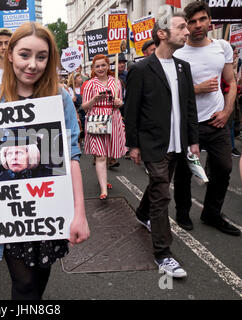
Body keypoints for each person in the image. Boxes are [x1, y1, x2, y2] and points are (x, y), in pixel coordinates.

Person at [0, 22, 90, 300]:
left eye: (41, 56)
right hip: (7, 216)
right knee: (23, 285)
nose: (33, 64)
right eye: (24, 55)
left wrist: (79, 214)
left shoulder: (60, 98)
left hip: (49, 212)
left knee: (39, 280)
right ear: (9, 55)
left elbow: (71, 158)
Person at [125, 12, 200, 278]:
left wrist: (193, 140)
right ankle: (163, 254)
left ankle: (142, 213)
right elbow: (131, 111)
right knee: (162, 193)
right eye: (181, 27)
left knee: (158, 188)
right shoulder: (140, 69)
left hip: (178, 145)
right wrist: (132, 145)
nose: (187, 31)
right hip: (154, 144)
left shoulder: (183, 67)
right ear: (162, 34)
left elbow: (189, 107)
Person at [173, 1, 240, 236]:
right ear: (187, 26)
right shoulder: (178, 53)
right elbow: (169, 92)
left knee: (223, 168)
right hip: (188, 124)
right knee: (184, 172)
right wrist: (196, 89)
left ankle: (212, 213)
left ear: (210, 21)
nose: (198, 25)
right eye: (192, 22)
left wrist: (227, 111)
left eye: (202, 19)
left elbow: (232, 82)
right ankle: (183, 211)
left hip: (218, 121)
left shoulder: (222, 46)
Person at [81, 54, 126, 199]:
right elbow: (84, 106)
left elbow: (120, 102)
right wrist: (94, 99)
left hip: (114, 117)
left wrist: (120, 103)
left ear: (108, 66)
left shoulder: (116, 82)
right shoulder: (90, 84)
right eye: (97, 66)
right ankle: (103, 190)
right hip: (97, 118)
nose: (100, 68)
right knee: (100, 154)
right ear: (93, 68)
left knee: (108, 153)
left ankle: (104, 180)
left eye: (103, 65)